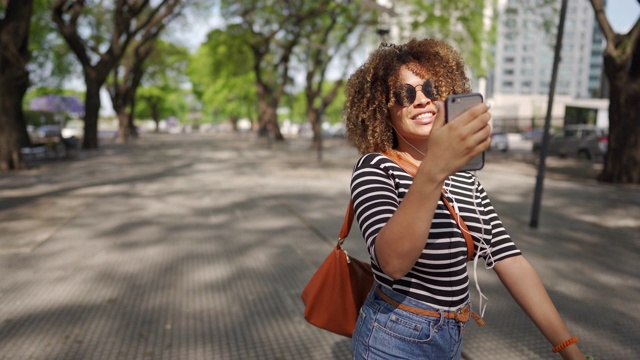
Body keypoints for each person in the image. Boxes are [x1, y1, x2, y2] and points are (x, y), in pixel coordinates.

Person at [343, 38, 585, 359]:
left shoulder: (463, 178)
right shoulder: (376, 167)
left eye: (431, 89)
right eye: (405, 94)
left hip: (453, 335)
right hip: (395, 336)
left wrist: (569, 349)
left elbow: (507, 258)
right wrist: (434, 170)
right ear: (383, 109)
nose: (421, 101)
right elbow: (393, 263)